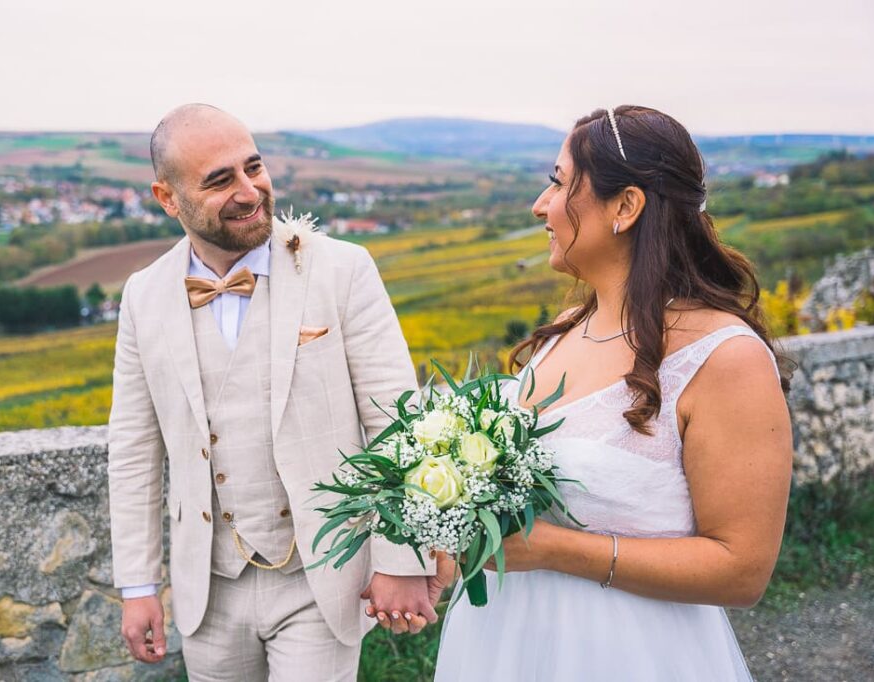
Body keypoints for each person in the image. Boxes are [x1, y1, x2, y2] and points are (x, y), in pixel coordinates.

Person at [431, 106, 793, 680]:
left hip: (629, 654)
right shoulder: (570, 326)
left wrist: (551, 549)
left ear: (625, 206)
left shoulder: (725, 358)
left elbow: (741, 570)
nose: (540, 205)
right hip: (503, 643)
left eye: (557, 182)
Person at [107, 103, 435, 682]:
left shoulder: (345, 270)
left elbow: (396, 422)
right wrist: (138, 584)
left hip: (322, 575)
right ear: (167, 197)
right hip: (208, 588)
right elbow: (134, 449)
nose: (249, 190)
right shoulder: (143, 295)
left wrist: (400, 556)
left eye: (252, 167)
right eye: (219, 180)